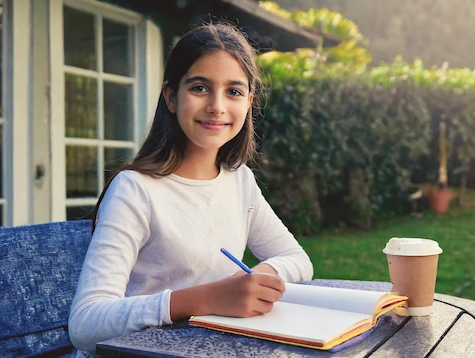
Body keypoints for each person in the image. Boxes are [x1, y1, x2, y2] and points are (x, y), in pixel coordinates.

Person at [68, 21, 313, 355]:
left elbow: (297, 259)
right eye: (200, 88)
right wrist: (208, 297)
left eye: (234, 91)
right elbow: (85, 324)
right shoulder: (135, 190)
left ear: (249, 102)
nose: (217, 106)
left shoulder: (239, 180)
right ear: (171, 96)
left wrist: (256, 279)